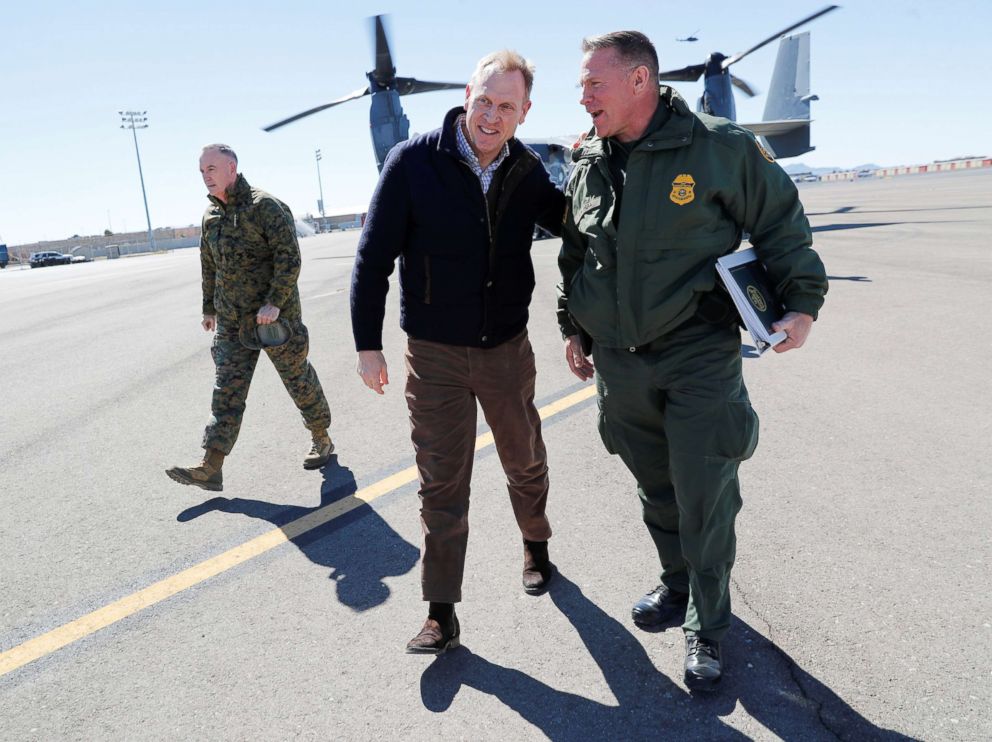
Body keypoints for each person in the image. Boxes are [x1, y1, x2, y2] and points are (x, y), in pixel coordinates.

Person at [558, 32, 827, 692]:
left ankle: (708, 625)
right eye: (582, 84)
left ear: (641, 80)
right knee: (656, 489)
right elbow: (576, 252)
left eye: (595, 82)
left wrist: (802, 305)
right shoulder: (589, 159)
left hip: (696, 349)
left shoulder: (718, 147)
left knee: (704, 492)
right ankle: (677, 584)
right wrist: (574, 324)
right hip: (620, 361)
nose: (583, 95)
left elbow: (781, 223)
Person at [350, 50, 566, 655]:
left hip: (504, 349)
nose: (491, 116)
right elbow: (372, 259)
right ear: (467, 94)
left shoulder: (527, 172)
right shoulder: (414, 161)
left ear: (525, 111)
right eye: (484, 101)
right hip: (435, 355)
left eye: (506, 106)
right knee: (441, 481)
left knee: (523, 456)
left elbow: (579, 226)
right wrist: (369, 345)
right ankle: (441, 611)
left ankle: (536, 542)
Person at [166, 144, 333, 492]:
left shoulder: (265, 207)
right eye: (201, 171)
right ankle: (211, 466)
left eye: (211, 168)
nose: (206, 176)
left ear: (231, 168)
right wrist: (208, 308)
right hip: (231, 321)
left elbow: (290, 258)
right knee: (226, 390)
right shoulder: (210, 216)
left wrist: (274, 302)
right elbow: (208, 264)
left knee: (297, 379)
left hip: (274, 319)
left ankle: (322, 437)